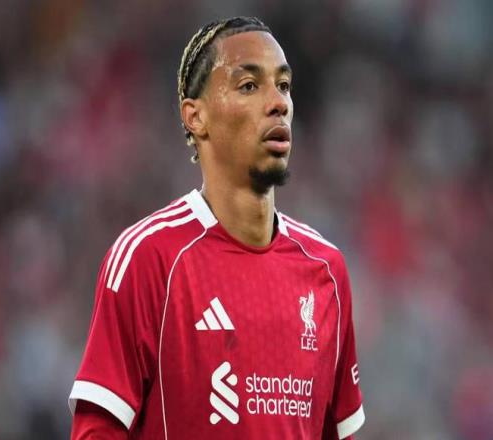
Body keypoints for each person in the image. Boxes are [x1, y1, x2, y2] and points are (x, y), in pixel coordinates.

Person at [68, 16, 365, 439]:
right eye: (249, 85)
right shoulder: (149, 258)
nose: (278, 103)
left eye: (283, 85)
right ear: (196, 117)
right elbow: (96, 430)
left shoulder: (326, 271)